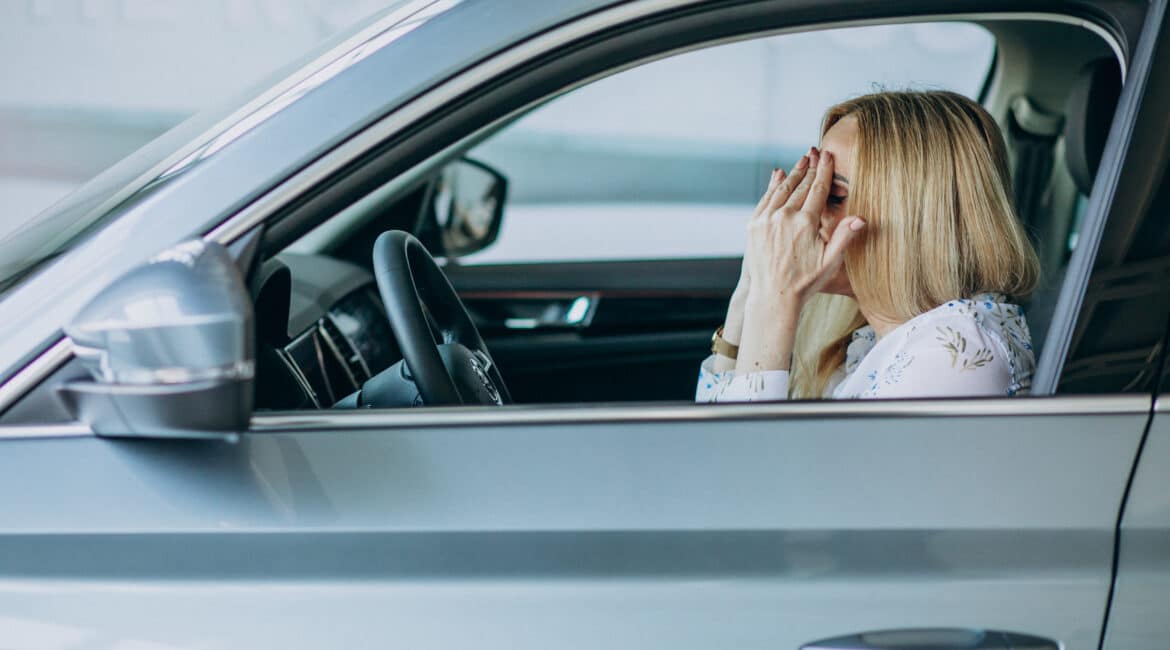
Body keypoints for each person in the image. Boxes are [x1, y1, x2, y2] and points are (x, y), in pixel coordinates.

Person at [697, 90, 1039, 402]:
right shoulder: (875, 341)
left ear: (911, 217)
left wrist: (775, 298)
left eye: (832, 195)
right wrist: (753, 285)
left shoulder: (953, 355)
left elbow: (743, 463)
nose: (803, 215)